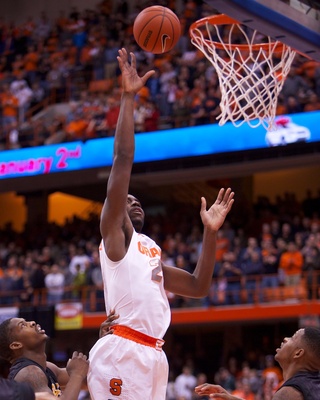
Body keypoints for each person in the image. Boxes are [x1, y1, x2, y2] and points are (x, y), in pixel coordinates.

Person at [87, 48, 235, 400]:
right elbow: (123, 159)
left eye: (138, 199)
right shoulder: (115, 239)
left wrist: (210, 234)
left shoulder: (148, 248)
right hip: (123, 348)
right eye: (126, 199)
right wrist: (127, 97)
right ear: (112, 210)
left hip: (154, 353)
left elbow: (199, 287)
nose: (133, 200)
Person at [194, 326, 320, 400]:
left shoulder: (291, 392)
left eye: (292, 338)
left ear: (298, 353)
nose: (285, 339)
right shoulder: (311, 384)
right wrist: (230, 397)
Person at [0, 317, 89, 399]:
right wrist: (76, 374)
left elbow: (88, 379)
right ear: (16, 345)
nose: (32, 323)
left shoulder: (48, 367)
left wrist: (102, 343)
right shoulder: (29, 373)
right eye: (23, 325)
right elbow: (78, 375)